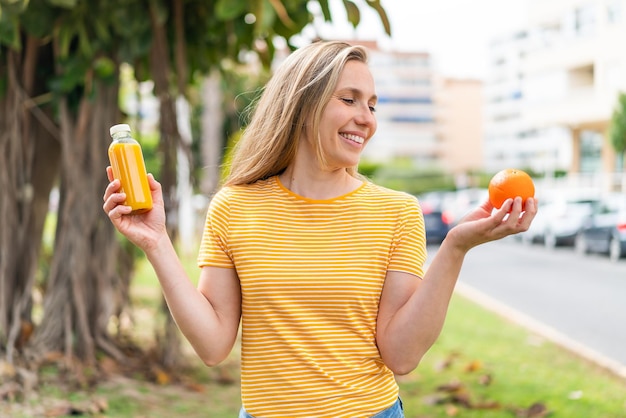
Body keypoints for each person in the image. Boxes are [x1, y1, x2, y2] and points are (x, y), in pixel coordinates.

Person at [103, 40, 537, 418]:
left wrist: (456, 248)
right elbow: (214, 345)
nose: (366, 117)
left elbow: (401, 356)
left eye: (372, 104)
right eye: (349, 100)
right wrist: (157, 244)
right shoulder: (235, 207)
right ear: (303, 104)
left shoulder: (397, 212)